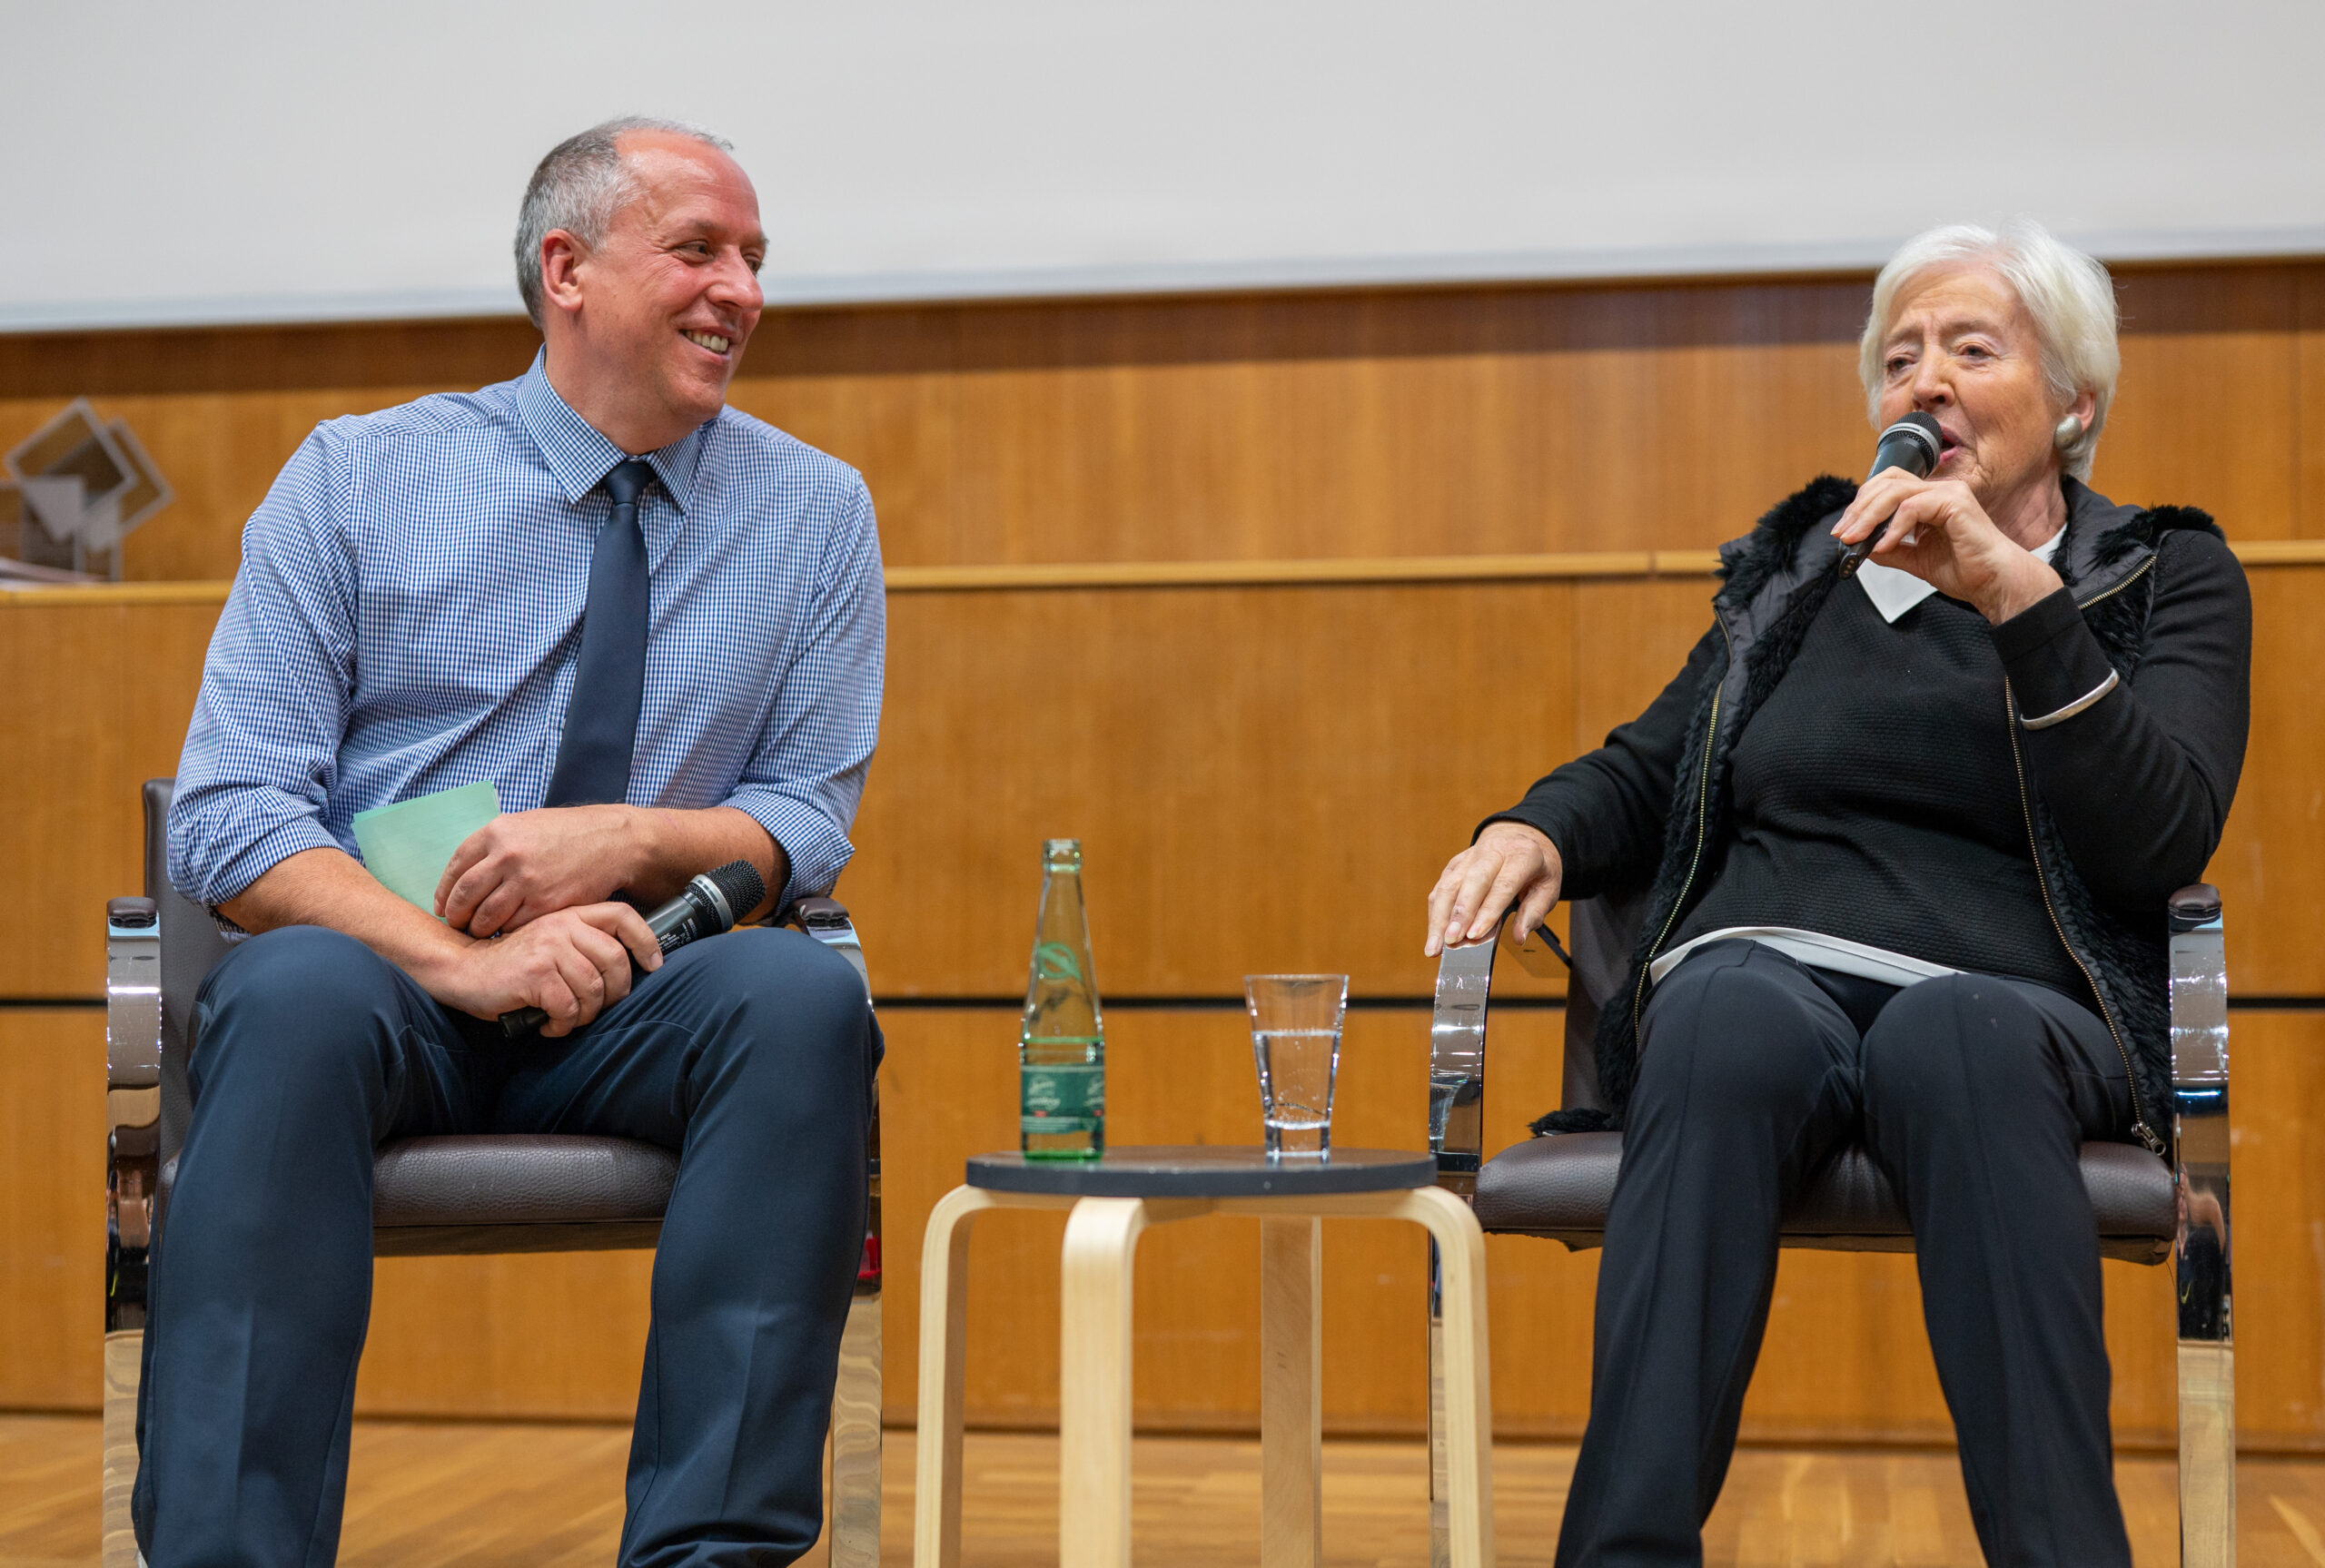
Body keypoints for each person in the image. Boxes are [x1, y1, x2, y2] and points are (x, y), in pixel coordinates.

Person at [1423, 221, 2250, 1567]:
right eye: (1900, 357)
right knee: (1721, 1015)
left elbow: (2161, 829)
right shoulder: (1804, 570)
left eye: (1972, 351)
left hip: (2015, 1007)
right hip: (1767, 969)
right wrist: (1537, 828)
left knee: (1957, 1039)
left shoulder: (2161, 576)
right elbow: (1654, 763)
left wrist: (2009, 593)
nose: (1924, 383)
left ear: (2073, 403)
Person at [140, 117, 885, 1568]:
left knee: (802, 997)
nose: (741, 290)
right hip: (385, 984)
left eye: (755, 259)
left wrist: (620, 841)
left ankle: (709, 1552)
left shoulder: (814, 510)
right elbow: (231, 814)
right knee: (285, 996)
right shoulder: (357, 477)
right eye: (698, 250)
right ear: (567, 268)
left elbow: (808, 816)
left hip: (642, 988)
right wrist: (460, 962)